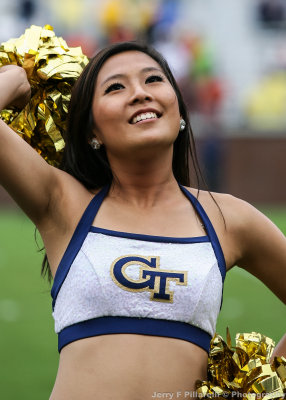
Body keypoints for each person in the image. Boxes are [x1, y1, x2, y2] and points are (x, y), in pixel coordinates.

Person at [0, 42, 285, 400]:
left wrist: (265, 387)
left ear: (179, 110)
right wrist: (16, 76)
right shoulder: (62, 203)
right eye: (116, 87)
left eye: (153, 80)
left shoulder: (227, 218)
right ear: (92, 131)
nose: (140, 93)